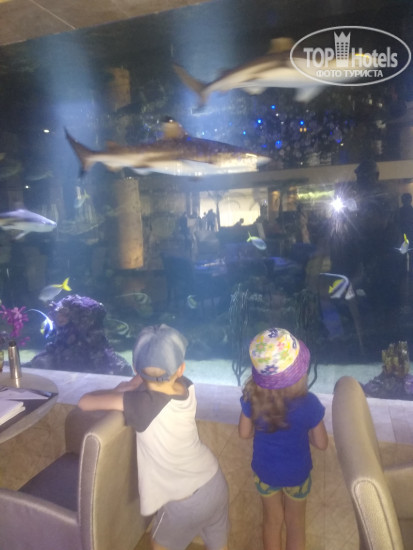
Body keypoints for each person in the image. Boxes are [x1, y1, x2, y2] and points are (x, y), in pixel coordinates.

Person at [78, 324, 229, 550]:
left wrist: (122, 388)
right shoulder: (186, 385)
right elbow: (156, 382)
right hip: (214, 482)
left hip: (185, 501)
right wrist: (137, 381)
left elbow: (84, 402)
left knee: (159, 546)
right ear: (181, 369)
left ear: (135, 369)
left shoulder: (142, 405)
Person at [238, 328, 328, 550]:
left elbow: (244, 433)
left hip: (265, 473)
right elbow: (322, 443)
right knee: (295, 525)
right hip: (297, 475)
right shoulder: (309, 403)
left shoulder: (252, 399)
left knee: (272, 521)